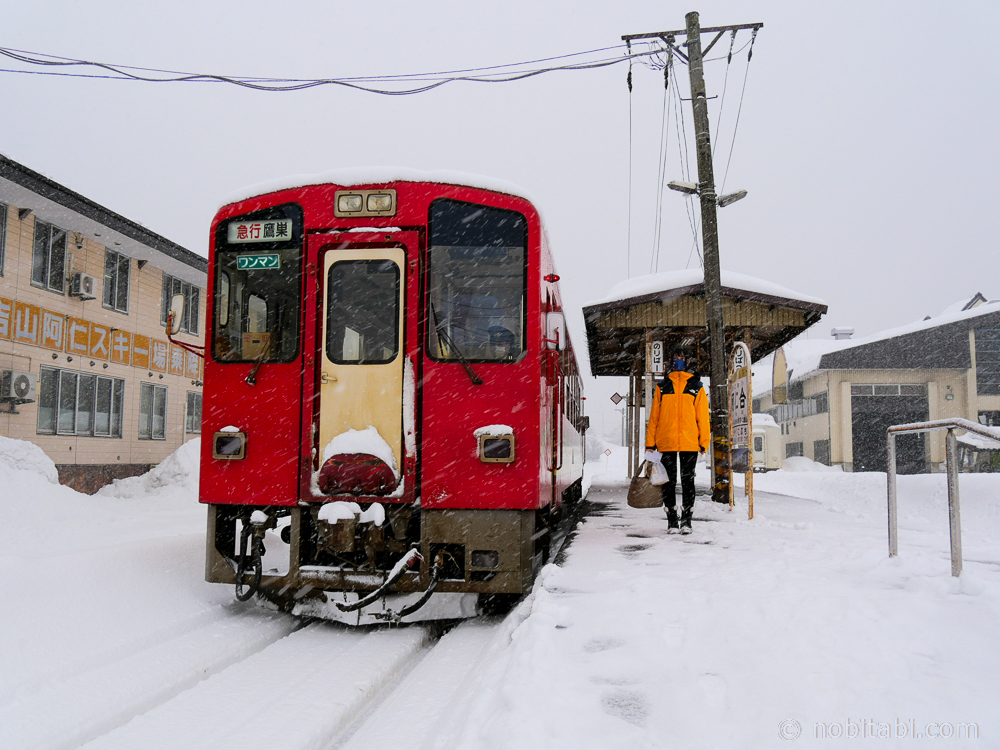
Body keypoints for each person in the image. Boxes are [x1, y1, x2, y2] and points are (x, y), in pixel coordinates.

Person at [644, 347, 710, 534]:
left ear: (687, 362)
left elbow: (703, 417)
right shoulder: (663, 386)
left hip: (689, 442)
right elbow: (654, 417)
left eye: (681, 358)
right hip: (666, 442)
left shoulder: (696, 386)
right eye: (675, 357)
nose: (678, 360)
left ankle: (687, 520)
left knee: (688, 481)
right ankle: (672, 520)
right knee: (668, 482)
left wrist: (704, 441)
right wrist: (650, 444)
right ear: (670, 361)